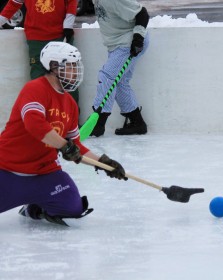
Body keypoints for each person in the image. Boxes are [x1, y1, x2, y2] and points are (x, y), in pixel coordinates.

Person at [0, 41, 127, 226]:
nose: (75, 72)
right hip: (8, 170)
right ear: (53, 66)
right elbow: (35, 125)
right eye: (70, 66)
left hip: (45, 174)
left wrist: (102, 162)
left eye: (76, 66)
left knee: (73, 208)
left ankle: (33, 207)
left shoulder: (70, 104)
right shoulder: (35, 89)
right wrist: (64, 146)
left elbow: (76, 146)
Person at [0, 0, 80, 106]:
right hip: (36, 39)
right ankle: (42, 116)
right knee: (38, 81)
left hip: (60, 36)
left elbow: (71, 2)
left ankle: (72, 119)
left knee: (67, 79)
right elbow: (14, 3)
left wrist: (68, 26)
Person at [90, 0, 150, 137]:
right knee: (120, 82)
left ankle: (98, 123)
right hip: (116, 44)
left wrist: (138, 38)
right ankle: (137, 123)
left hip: (128, 43)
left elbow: (142, 14)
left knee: (107, 77)